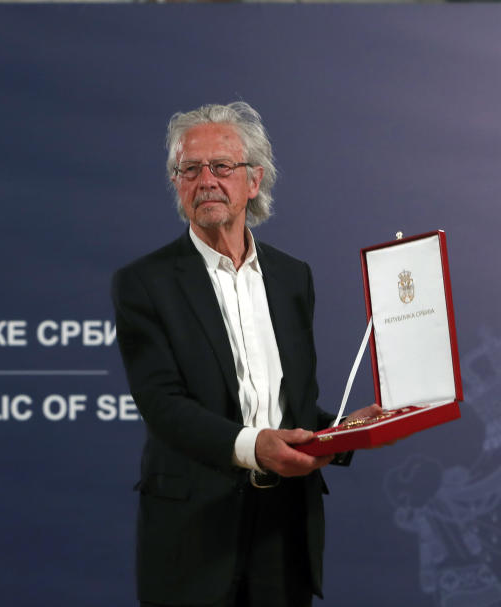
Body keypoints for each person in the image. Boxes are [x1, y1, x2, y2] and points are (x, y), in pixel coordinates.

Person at [111, 101, 381, 607]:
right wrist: (254, 447)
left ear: (253, 181)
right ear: (176, 183)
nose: (205, 179)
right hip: (195, 536)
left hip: (285, 533)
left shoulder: (293, 277)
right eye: (189, 169)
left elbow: (288, 405)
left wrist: (345, 433)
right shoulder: (143, 284)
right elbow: (162, 403)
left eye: (222, 166)